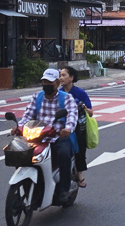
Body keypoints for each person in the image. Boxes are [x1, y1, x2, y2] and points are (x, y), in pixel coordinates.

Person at [16, 68, 79, 200]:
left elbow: (72, 115)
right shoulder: (36, 97)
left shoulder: (66, 98)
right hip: (38, 137)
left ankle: (64, 189)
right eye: (44, 81)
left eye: (49, 82)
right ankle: (26, 183)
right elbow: (27, 115)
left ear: (57, 83)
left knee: (64, 153)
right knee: (18, 152)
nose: (46, 85)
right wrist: (19, 127)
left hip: (58, 137)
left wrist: (67, 129)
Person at [59, 66, 92, 188]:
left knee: (79, 149)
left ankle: (79, 175)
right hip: (62, 126)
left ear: (71, 77)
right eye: (60, 75)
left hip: (78, 127)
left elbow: (91, 112)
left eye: (64, 75)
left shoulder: (80, 93)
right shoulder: (58, 94)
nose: (61, 78)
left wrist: (83, 108)